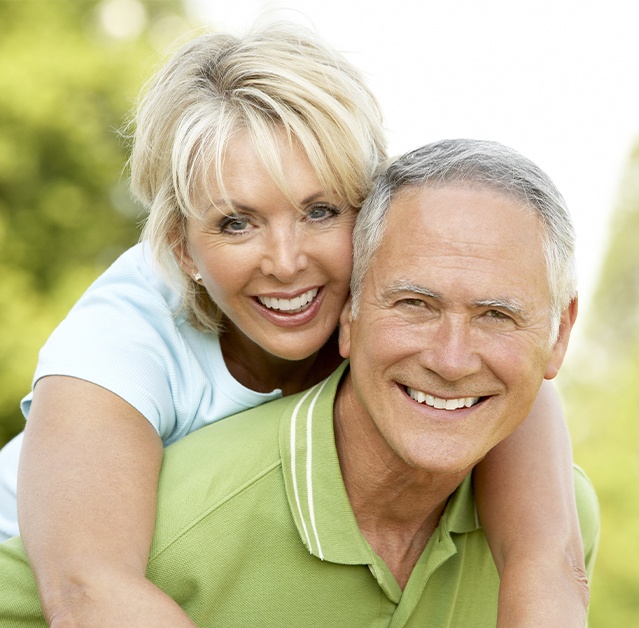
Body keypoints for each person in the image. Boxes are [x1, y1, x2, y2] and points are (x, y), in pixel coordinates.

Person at [0, 24, 585, 627]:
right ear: (180, 248)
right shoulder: (120, 340)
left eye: (321, 211)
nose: (285, 263)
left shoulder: (410, 319)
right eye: (236, 223)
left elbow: (546, 555)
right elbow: (84, 592)